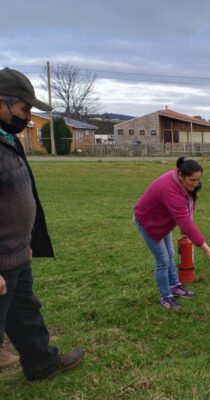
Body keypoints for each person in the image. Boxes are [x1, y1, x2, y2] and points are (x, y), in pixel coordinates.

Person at [0, 67, 84, 381]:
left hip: (16, 253)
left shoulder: (8, 138)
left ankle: (41, 364)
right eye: (24, 109)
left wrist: (28, 242)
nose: (28, 117)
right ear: (1, 103)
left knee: (25, 314)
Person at [134, 157, 210, 310]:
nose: (196, 183)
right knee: (163, 260)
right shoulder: (170, 190)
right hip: (148, 222)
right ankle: (165, 297)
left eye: (198, 180)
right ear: (181, 176)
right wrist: (206, 248)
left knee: (171, 253)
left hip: (162, 221)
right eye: (192, 180)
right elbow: (185, 222)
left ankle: (175, 286)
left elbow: (187, 210)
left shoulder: (181, 183)